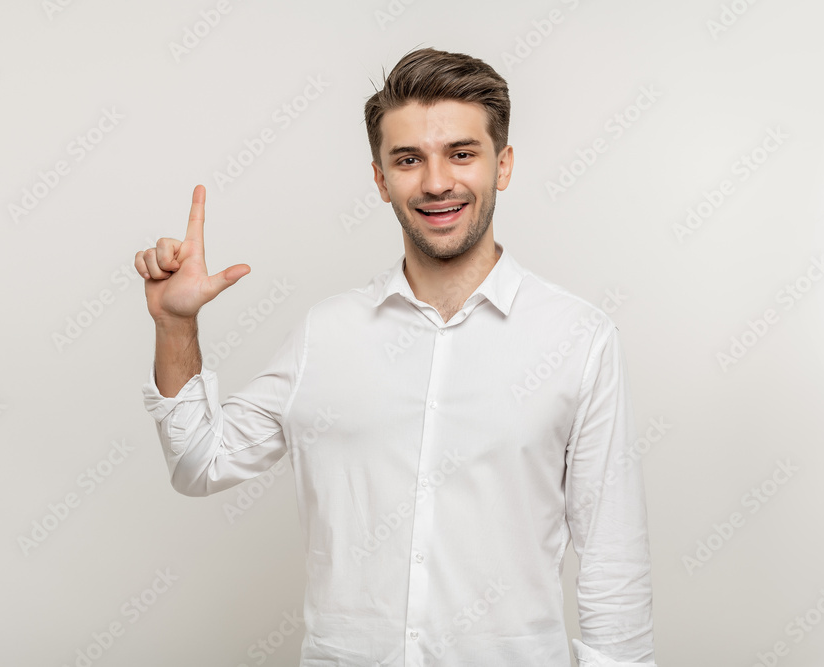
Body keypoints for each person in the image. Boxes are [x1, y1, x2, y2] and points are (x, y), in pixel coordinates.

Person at [135, 47, 656, 666]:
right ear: (380, 179)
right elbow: (199, 464)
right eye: (408, 160)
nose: (436, 182)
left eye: (462, 153)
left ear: (503, 164)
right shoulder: (325, 335)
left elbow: (611, 556)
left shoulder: (578, 338)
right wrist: (175, 324)